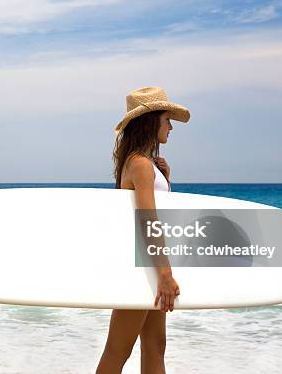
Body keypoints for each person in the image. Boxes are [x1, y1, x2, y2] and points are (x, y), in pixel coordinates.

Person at [96, 86, 191, 374]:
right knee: (118, 350)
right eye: (166, 120)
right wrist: (165, 274)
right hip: (141, 268)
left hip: (147, 263)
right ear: (151, 122)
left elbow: (160, 212)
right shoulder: (140, 165)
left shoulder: (145, 164)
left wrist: (166, 179)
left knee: (155, 346)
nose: (171, 127)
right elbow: (148, 220)